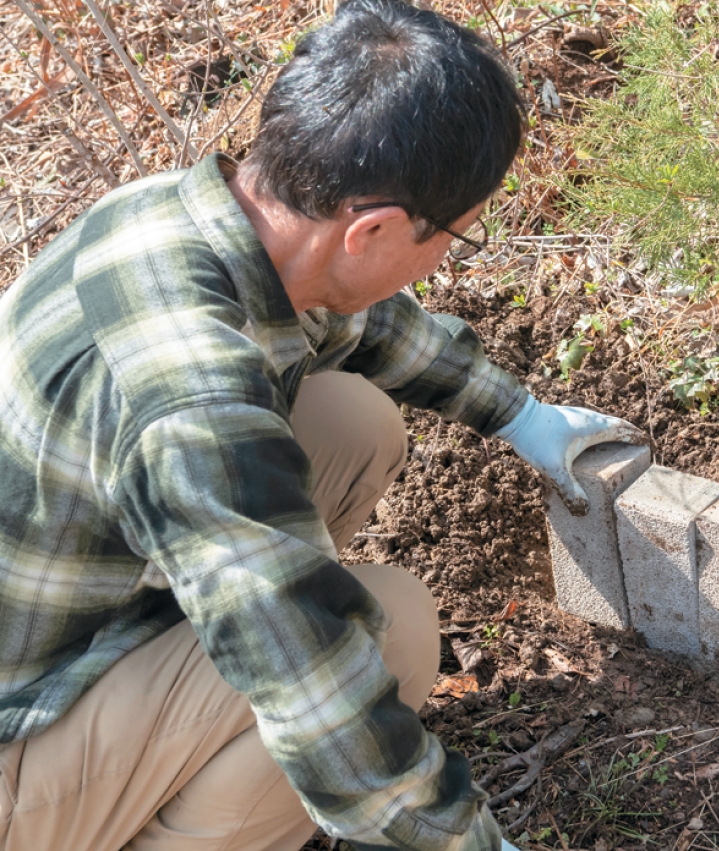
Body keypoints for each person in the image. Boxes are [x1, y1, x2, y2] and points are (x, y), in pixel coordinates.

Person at [0, 1, 641, 849]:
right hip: (20, 736)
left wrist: (517, 413)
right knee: (389, 634)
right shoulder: (191, 399)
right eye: (452, 237)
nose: (445, 257)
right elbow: (313, 687)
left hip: (61, 621)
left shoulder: (187, 216)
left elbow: (353, 317)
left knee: (347, 418)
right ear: (371, 228)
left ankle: (175, 723)